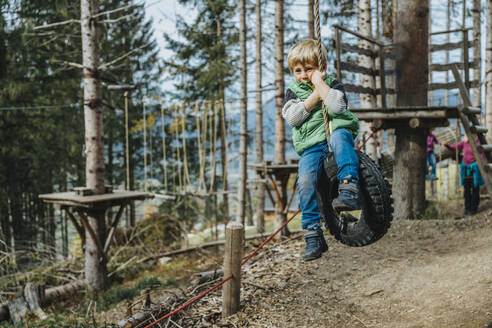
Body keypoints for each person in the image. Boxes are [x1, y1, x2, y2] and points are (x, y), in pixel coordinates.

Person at [282, 39, 360, 261]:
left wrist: (321, 85)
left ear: (322, 67)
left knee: (341, 140)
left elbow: (337, 107)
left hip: (335, 132)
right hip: (311, 145)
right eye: (298, 71)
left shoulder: (333, 84)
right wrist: (315, 95)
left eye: (309, 69)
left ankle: (349, 186)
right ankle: (313, 234)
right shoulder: (293, 91)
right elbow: (294, 118)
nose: (304, 75)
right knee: (305, 181)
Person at [444, 135, 486, 216]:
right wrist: (447, 145)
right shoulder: (464, 143)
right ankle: (467, 209)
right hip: (465, 168)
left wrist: (483, 165)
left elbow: (483, 155)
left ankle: (474, 209)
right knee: (466, 189)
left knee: (475, 188)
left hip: (475, 168)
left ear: (476, 136)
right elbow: (454, 148)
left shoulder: (478, 143)